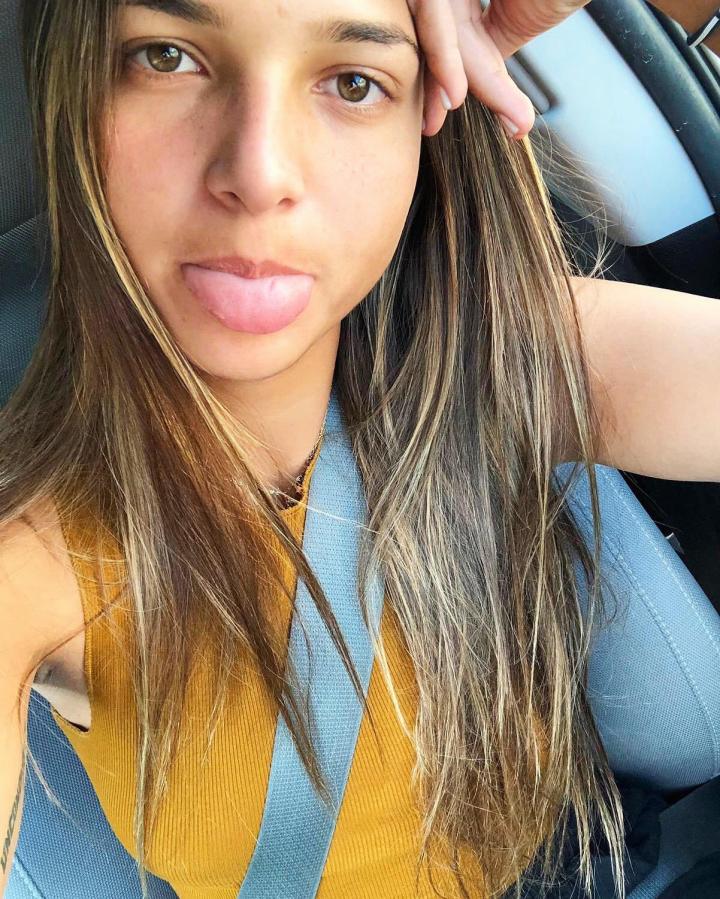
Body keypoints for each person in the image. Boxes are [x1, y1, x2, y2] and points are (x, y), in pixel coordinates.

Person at [0, 0, 718, 898]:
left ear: (425, 126)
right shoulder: (33, 555)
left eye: (353, 82)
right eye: (167, 58)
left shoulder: (495, 358)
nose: (259, 173)